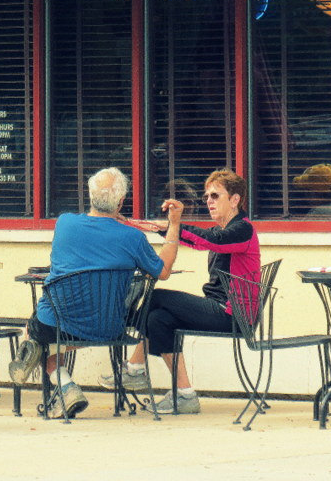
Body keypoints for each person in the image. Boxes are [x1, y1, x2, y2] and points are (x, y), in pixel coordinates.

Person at [9, 167, 182, 419]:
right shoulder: (132, 237)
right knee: (46, 332)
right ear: (122, 202)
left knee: (37, 332)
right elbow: (163, 270)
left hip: (56, 324)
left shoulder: (65, 223)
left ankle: (63, 383)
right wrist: (174, 226)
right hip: (109, 327)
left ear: (89, 195)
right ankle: (49, 368)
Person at [100, 168, 261, 415]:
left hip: (234, 315)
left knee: (155, 296)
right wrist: (136, 223)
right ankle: (184, 394)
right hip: (220, 309)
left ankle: (134, 367)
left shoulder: (243, 229)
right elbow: (192, 237)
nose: (208, 201)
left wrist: (174, 224)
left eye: (215, 196)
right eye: (207, 196)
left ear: (235, 199)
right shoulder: (227, 229)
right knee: (158, 318)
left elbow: (209, 240)